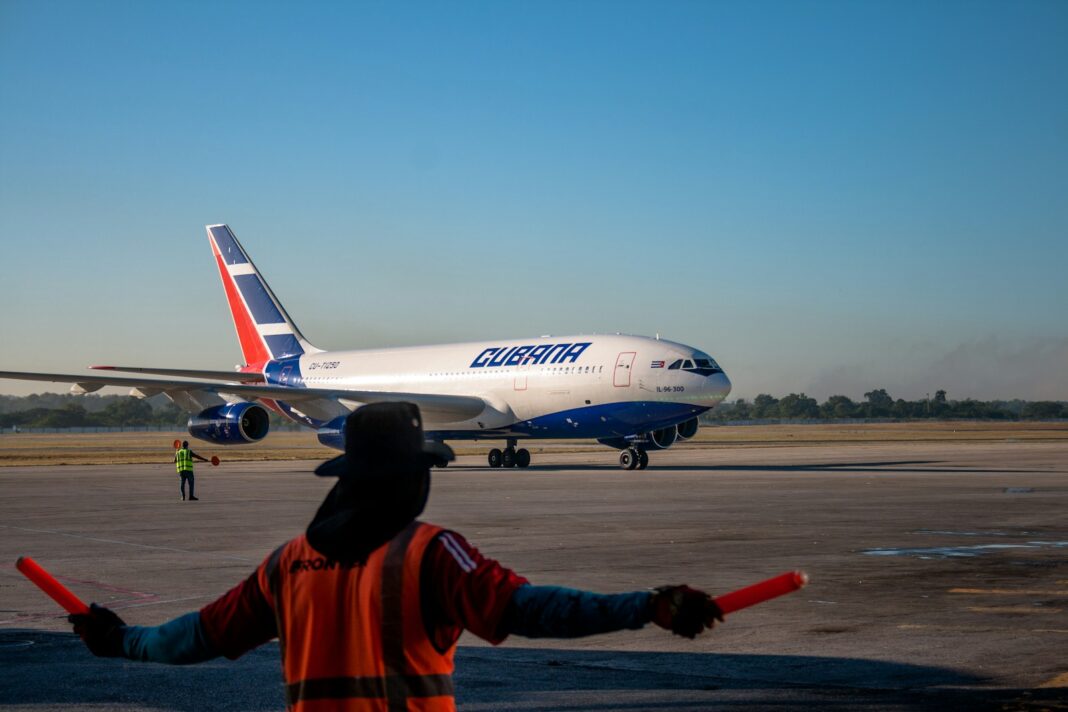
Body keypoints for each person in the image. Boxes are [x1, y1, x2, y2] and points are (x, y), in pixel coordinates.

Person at [71, 403, 723, 711]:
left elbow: (193, 639)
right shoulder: (430, 554)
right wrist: (648, 607)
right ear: (411, 478)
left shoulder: (287, 565)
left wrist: (119, 640)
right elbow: (535, 610)